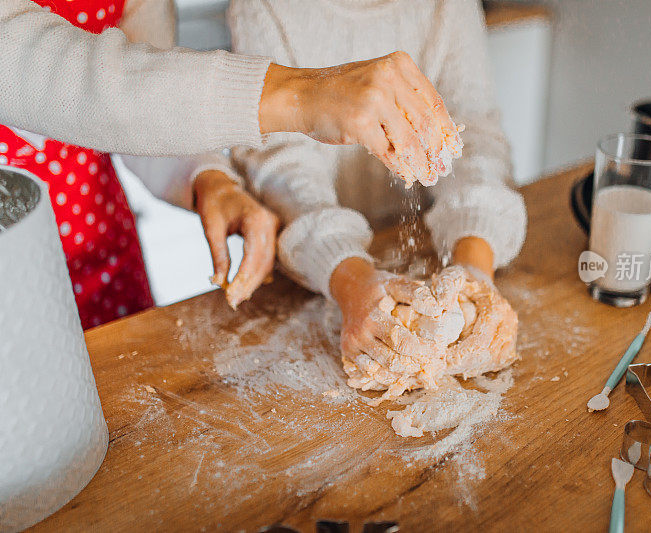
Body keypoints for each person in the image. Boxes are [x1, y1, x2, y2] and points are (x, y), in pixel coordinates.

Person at [0, 0, 461, 325]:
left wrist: (208, 179)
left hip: (104, 253)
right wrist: (299, 94)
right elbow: (64, 80)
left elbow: (139, 104)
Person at [211, 0, 527, 369]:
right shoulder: (264, 7)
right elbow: (283, 163)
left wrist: (474, 267)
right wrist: (351, 279)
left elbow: (473, 137)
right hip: (315, 266)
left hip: (427, 246)